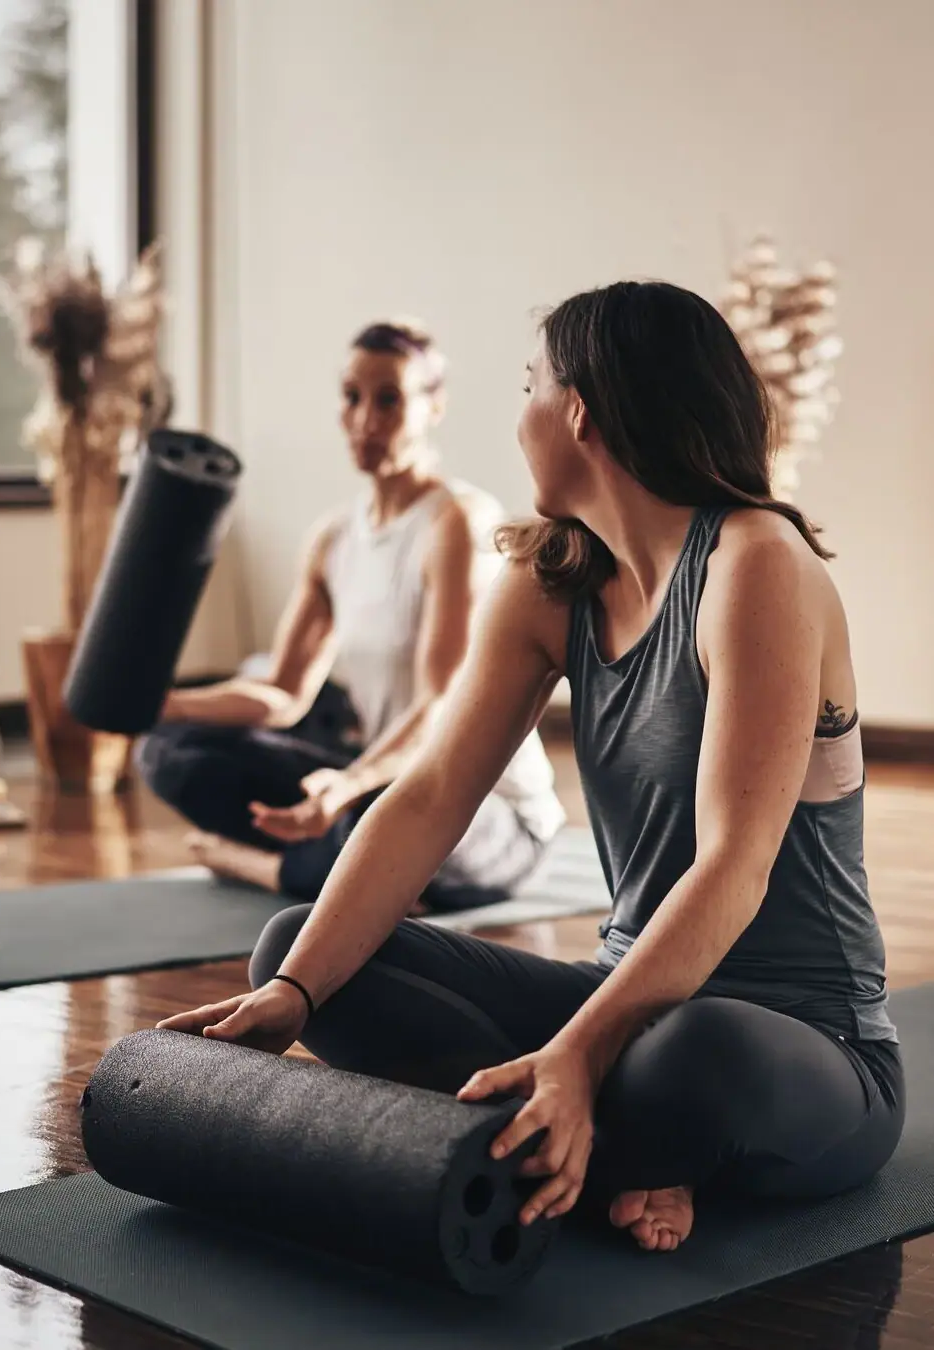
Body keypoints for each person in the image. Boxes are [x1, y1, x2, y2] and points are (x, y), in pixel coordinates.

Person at [159, 281, 903, 1254]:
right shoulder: (550, 579)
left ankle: (590, 1127)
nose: (518, 420)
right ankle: (622, 1151)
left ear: (580, 409)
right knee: (300, 947)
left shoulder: (755, 565)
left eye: (528, 386)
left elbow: (733, 864)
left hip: (801, 1042)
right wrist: (293, 996)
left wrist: (575, 1055)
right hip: (619, 1000)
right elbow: (426, 797)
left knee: (694, 1054)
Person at [138, 318, 565, 911]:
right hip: (384, 777)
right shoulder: (332, 538)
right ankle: (336, 862)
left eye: (389, 400)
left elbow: (442, 704)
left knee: (379, 823)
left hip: (486, 808)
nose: (366, 419)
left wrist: (347, 784)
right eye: (352, 397)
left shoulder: (457, 524)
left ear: (433, 407)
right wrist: (159, 705)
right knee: (168, 750)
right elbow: (284, 692)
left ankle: (259, 865)